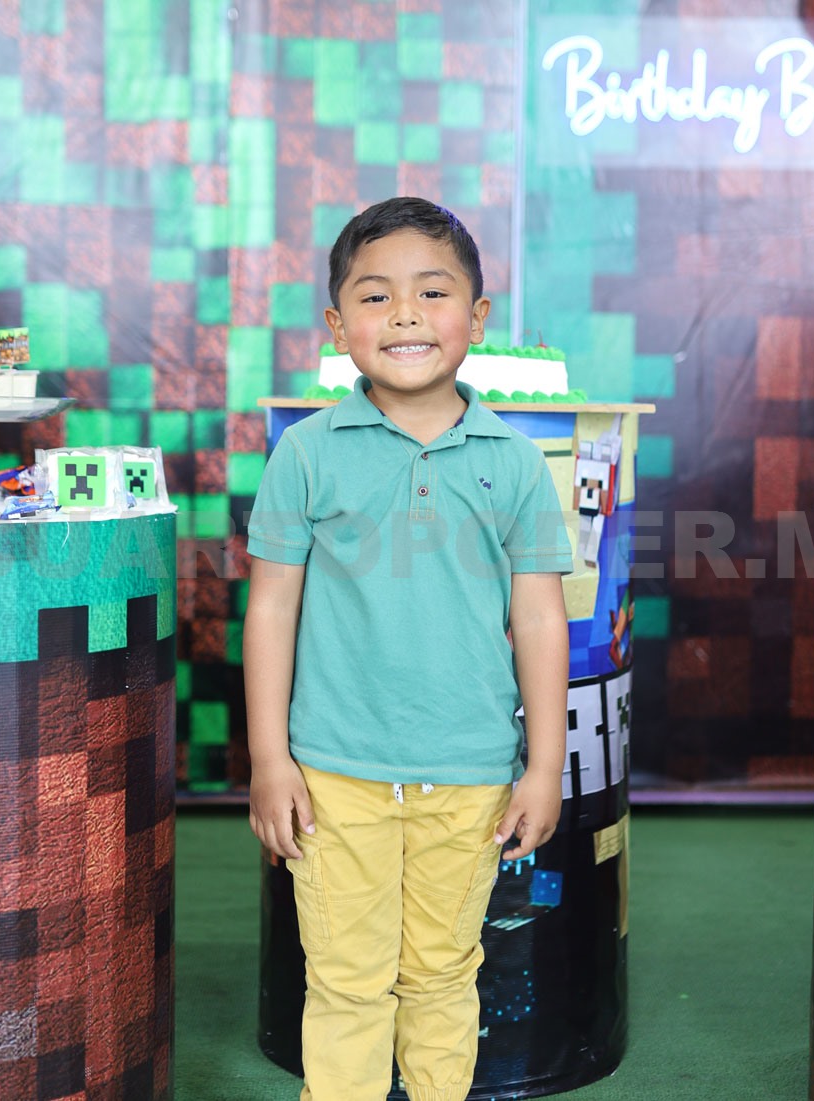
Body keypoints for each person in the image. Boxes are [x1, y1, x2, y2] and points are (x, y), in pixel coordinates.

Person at [244, 196, 571, 1101]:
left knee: (440, 975)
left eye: (432, 292)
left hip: (469, 774)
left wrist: (544, 767)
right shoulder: (306, 454)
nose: (405, 316)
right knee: (345, 981)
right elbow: (270, 608)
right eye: (375, 296)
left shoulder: (513, 461)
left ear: (478, 317)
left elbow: (540, 619)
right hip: (333, 774)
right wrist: (269, 758)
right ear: (337, 325)